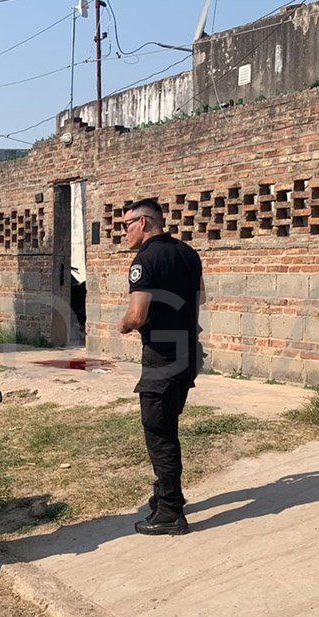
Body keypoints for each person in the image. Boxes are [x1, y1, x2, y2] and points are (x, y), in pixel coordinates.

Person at [117, 198, 204, 536]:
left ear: (145, 222)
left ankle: (170, 510)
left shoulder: (145, 260)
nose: (123, 232)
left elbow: (137, 315)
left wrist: (124, 325)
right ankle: (164, 497)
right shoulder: (188, 254)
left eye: (126, 225)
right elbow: (202, 298)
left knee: (160, 434)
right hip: (187, 354)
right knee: (167, 426)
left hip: (162, 358)